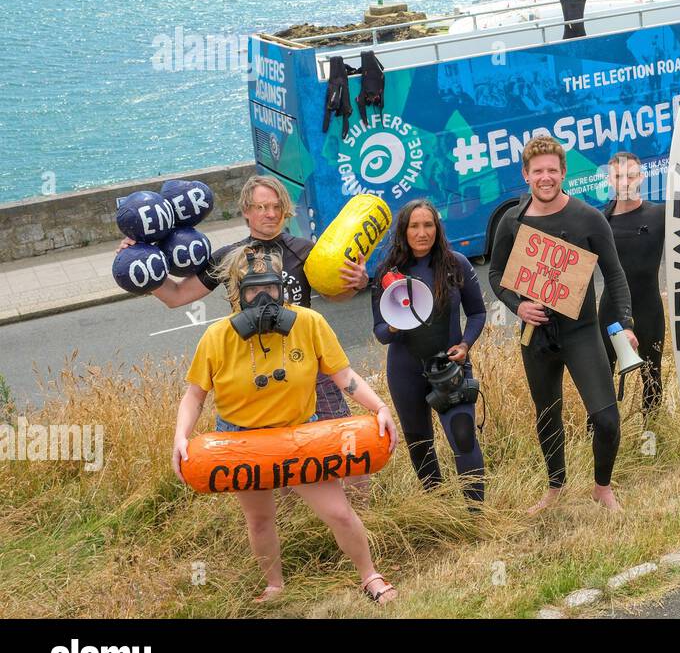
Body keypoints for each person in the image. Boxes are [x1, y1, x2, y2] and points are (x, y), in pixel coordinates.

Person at [173, 247, 399, 604]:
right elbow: (195, 396)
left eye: (270, 288)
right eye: (252, 290)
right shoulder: (217, 338)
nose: (263, 298)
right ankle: (275, 587)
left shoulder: (308, 323)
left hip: (299, 435)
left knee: (339, 512)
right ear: (236, 293)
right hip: (242, 441)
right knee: (260, 519)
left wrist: (380, 406)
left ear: (282, 288)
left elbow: (344, 376)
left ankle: (370, 576)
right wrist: (181, 437)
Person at [119, 175, 371, 425]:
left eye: (276, 207)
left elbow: (334, 296)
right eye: (261, 207)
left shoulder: (305, 251)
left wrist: (357, 283)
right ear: (246, 211)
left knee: (335, 442)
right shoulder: (230, 256)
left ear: (285, 211)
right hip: (251, 369)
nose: (270, 214)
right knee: (264, 454)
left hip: (306, 364)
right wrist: (141, 257)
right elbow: (176, 296)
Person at [488, 135, 635, 513]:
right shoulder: (511, 221)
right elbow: (496, 274)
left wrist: (626, 323)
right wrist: (518, 307)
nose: (546, 177)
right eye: (538, 171)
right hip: (535, 336)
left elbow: (615, 276)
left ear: (564, 172)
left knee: (605, 418)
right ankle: (555, 487)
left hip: (582, 332)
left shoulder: (588, 217)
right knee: (546, 413)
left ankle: (602, 488)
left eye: (553, 170)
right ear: (525, 174)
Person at [370, 200, 486, 503]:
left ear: (437, 228)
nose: (422, 233)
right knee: (420, 444)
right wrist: (395, 324)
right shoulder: (387, 272)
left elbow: (477, 313)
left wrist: (465, 345)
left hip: (449, 366)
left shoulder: (456, 263)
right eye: (414, 226)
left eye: (428, 225)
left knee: (463, 434)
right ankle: (440, 509)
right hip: (405, 370)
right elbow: (380, 332)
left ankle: (477, 515)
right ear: (403, 231)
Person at [598, 152, 665, 413]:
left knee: (652, 377)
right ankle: (601, 437)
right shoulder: (599, 222)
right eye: (618, 176)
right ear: (609, 179)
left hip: (649, 312)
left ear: (642, 178)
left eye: (631, 175)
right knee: (602, 380)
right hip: (610, 314)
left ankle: (653, 438)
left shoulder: (660, 215)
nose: (624, 182)